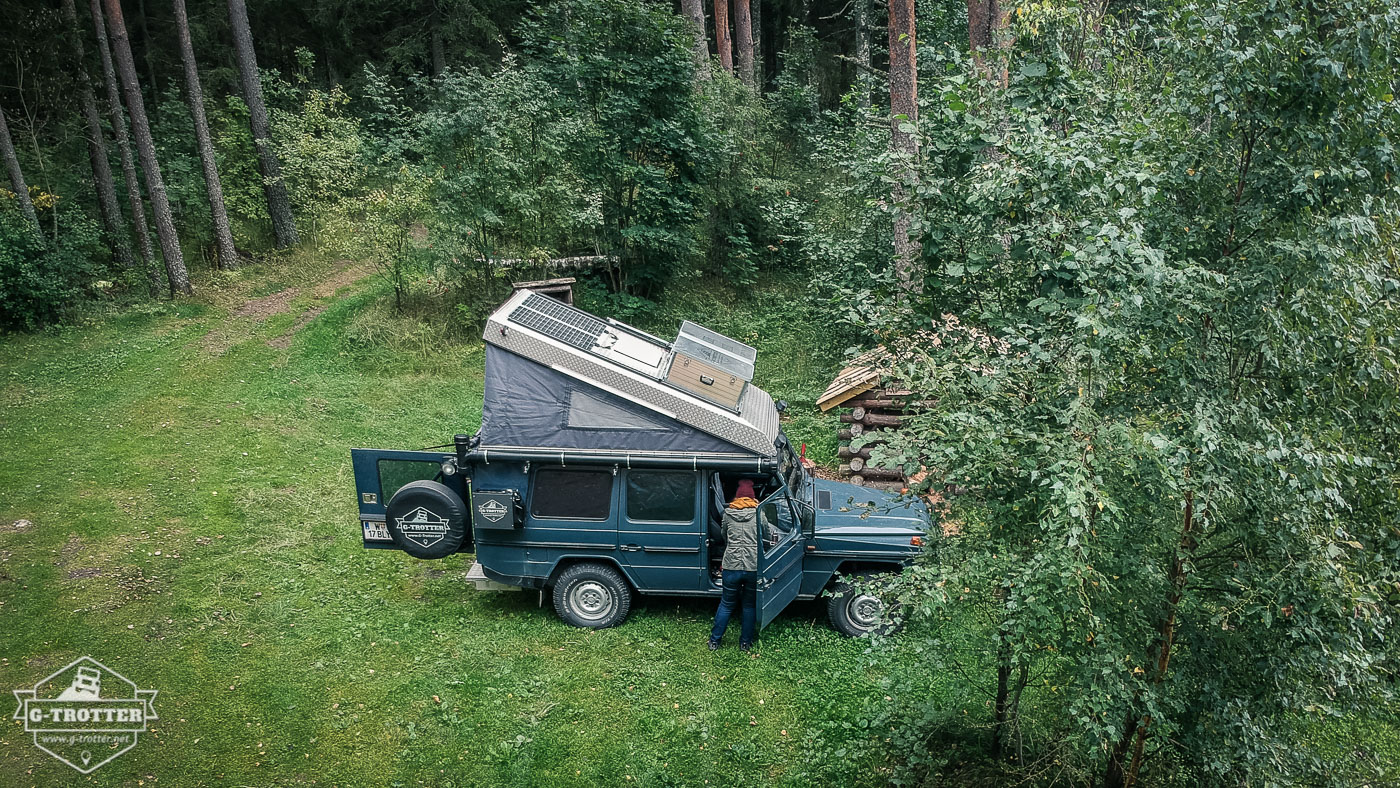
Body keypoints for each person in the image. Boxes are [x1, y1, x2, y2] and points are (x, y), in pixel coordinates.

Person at [709, 479, 760, 651]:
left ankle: (715, 641)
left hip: (731, 565)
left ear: (736, 497)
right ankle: (745, 643)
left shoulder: (728, 514)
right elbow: (766, 533)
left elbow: (724, 535)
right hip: (753, 566)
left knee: (726, 603)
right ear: (753, 497)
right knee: (749, 605)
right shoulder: (759, 513)